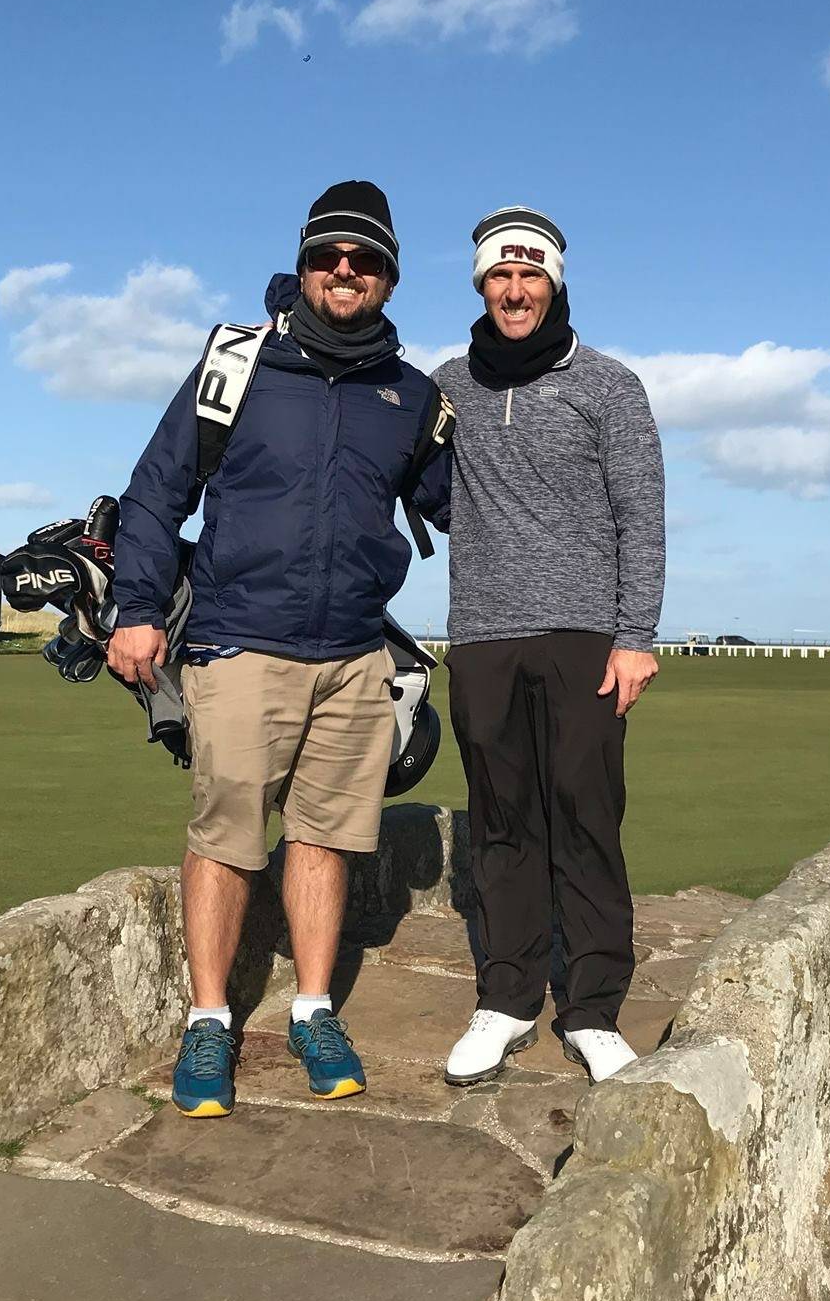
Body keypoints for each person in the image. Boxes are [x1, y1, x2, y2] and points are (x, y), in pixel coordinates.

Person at [107, 181, 451, 1117]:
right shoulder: (235, 363)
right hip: (240, 642)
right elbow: (155, 490)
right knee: (225, 839)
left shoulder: (413, 395)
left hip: (351, 653)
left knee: (326, 838)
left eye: (365, 260)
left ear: (388, 278)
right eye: (329, 255)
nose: (345, 271)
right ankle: (210, 1021)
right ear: (302, 264)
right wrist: (135, 606)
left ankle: (311, 1009)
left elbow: (464, 509)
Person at [435, 206, 665, 1086]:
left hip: (585, 639)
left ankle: (595, 1007)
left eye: (531, 275)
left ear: (555, 283)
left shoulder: (609, 384)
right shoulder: (448, 385)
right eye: (501, 275)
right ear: (482, 284)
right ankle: (507, 997)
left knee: (585, 816)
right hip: (484, 637)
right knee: (500, 821)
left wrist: (635, 636)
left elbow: (640, 514)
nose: (516, 290)